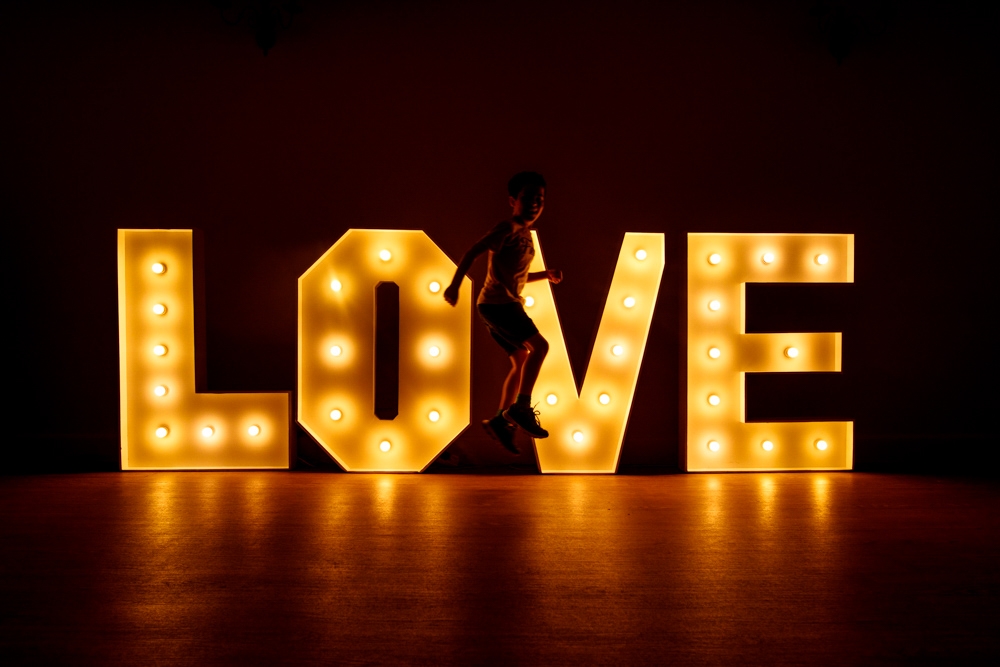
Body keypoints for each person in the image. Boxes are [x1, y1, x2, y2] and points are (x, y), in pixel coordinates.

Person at [444, 172, 563, 453]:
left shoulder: (525, 235)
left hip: (499, 304)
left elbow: (516, 276)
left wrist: (544, 275)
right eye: (527, 198)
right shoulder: (507, 228)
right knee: (541, 347)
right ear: (513, 200)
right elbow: (474, 251)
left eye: (540, 199)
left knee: (520, 358)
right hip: (499, 304)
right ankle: (521, 407)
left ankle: (500, 420)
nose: (534, 203)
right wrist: (454, 285)